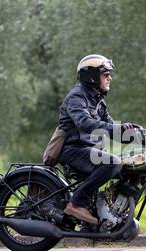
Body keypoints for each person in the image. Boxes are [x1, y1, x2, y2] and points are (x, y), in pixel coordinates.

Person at [57, 54, 137, 226]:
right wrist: (117, 128)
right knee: (112, 163)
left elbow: (109, 126)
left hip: (88, 149)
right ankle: (76, 204)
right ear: (92, 76)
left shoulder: (97, 99)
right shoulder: (77, 97)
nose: (110, 78)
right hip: (73, 149)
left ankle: (110, 210)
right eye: (105, 74)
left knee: (132, 165)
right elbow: (84, 123)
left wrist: (138, 135)